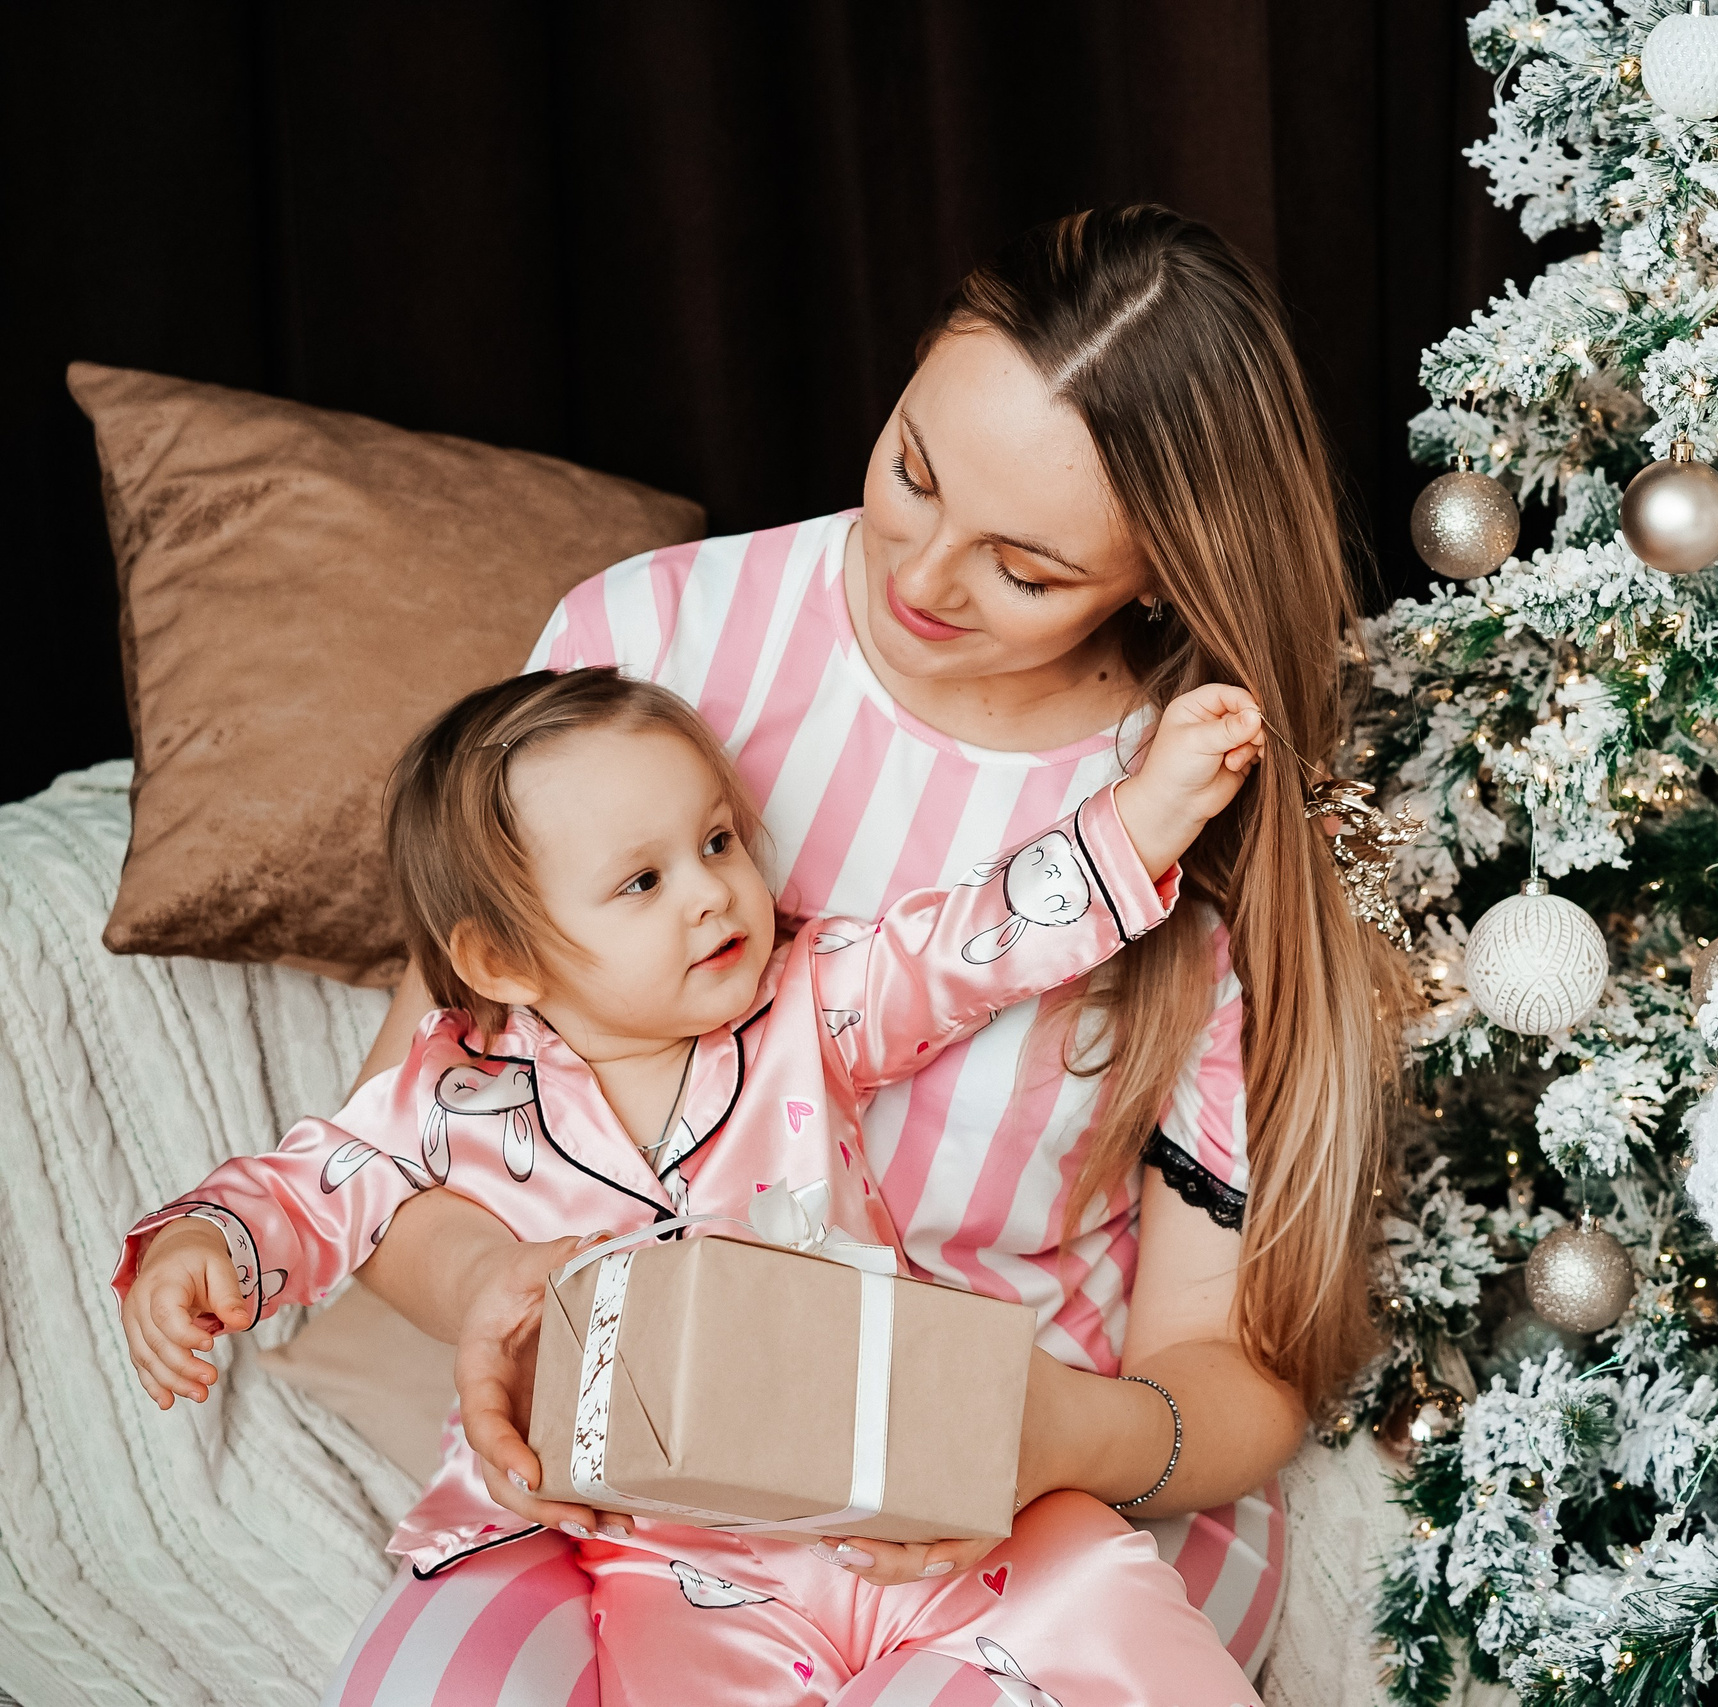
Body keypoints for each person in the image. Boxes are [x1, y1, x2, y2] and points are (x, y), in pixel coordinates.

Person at [315, 204, 1410, 1705]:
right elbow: (396, 1144)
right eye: (911, 468)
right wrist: (505, 1284)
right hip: (632, 1470)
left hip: (1032, 1491)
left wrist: (1048, 1434)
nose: (926, 576)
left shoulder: (1198, 810)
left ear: (1158, 577)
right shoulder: (648, 641)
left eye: (1025, 569)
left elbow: (1229, 1376)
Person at [119, 665, 1269, 1705]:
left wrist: (1146, 814)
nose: (711, 895)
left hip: (906, 1475)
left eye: (718, 842)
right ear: (501, 961)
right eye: (641, 882)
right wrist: (203, 1245)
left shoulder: (808, 1004)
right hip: (670, 1557)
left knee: (1107, 1618)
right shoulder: (450, 1095)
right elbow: (313, 1182)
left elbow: (977, 936)